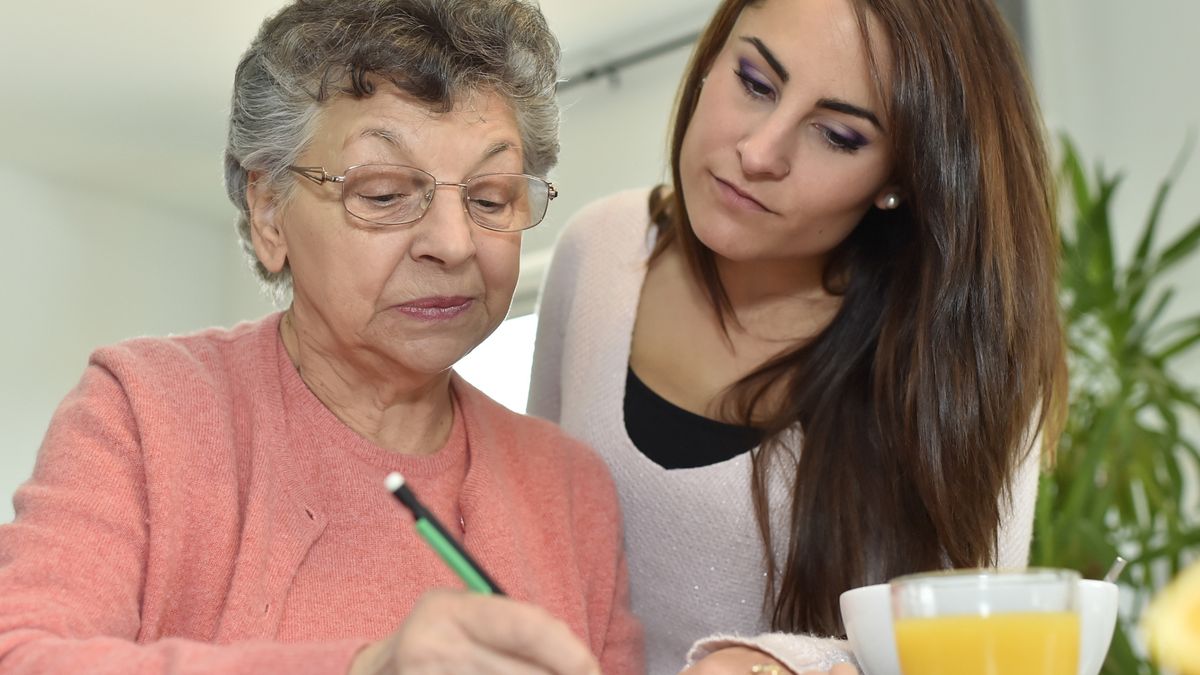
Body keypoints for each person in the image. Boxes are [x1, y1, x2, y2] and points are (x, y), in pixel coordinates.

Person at [0, 1, 643, 673]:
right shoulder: (145, 412)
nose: (454, 244)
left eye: (489, 198)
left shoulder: (570, 488)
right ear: (270, 210)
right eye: (386, 192)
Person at [528, 0, 1066, 672]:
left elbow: (974, 652)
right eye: (755, 82)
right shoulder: (598, 250)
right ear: (714, 52)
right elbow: (531, 544)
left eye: (838, 135)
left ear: (899, 179)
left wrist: (783, 664)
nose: (759, 152)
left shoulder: (963, 359)